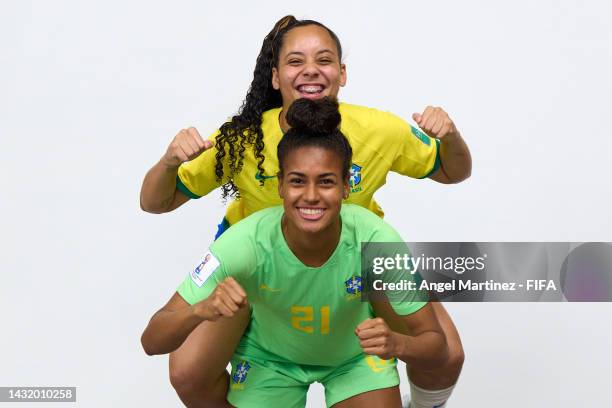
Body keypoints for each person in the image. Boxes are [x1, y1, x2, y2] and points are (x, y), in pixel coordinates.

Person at [140, 15, 469, 408]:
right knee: (188, 372)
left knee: (447, 354)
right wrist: (168, 161)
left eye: (323, 59)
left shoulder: (379, 130)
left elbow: (453, 171)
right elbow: (155, 202)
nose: (310, 69)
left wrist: (450, 136)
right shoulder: (243, 139)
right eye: (295, 61)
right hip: (260, 274)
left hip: (352, 264)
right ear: (275, 77)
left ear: (342, 73)